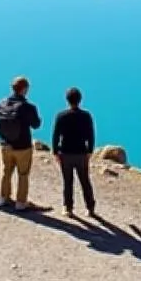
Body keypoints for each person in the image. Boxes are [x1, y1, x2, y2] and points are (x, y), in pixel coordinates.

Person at [0, 77, 41, 211]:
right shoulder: (28, 107)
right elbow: (36, 124)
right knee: (23, 174)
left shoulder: (1, 103)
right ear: (24, 89)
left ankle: (3, 198)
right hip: (22, 146)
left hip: (5, 144)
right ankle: (21, 202)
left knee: (5, 171)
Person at [52, 86, 96, 217]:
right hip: (81, 153)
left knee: (68, 181)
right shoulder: (86, 116)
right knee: (85, 181)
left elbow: (56, 135)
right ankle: (90, 207)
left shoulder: (61, 116)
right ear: (80, 100)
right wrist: (90, 150)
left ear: (67, 100)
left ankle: (68, 207)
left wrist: (55, 151)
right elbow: (91, 134)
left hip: (65, 153)